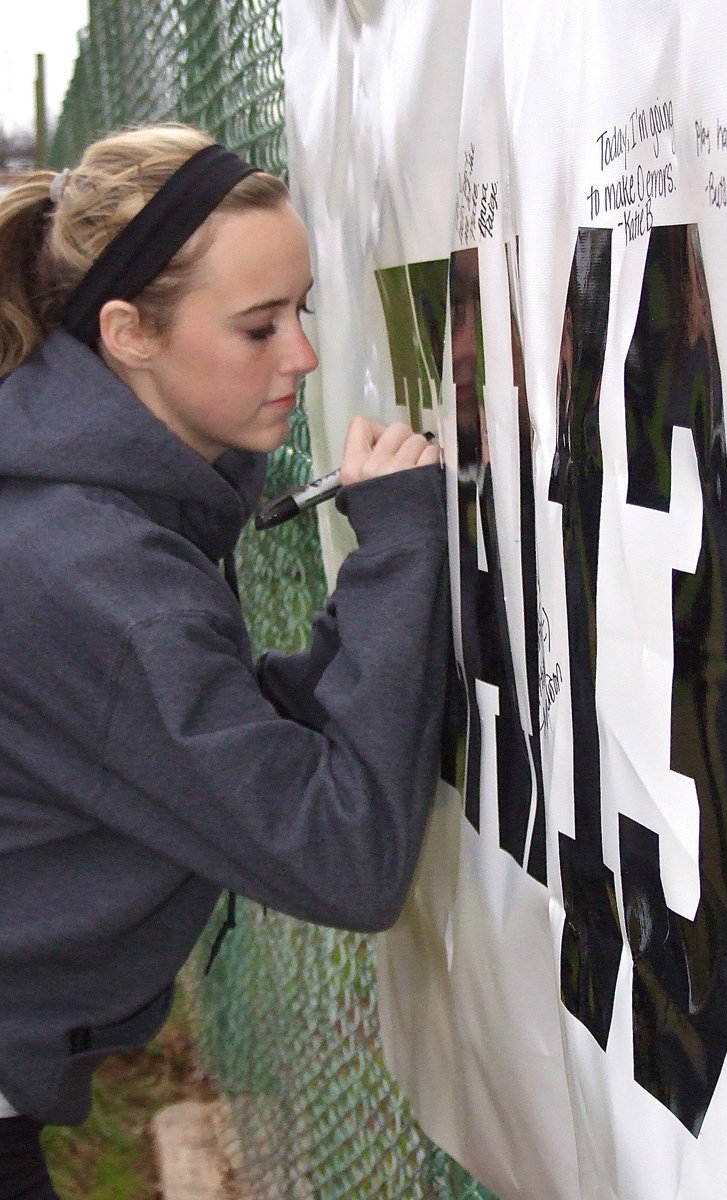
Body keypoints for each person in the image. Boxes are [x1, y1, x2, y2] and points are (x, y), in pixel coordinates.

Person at [0, 124, 447, 1199]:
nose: (301, 356)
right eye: (258, 327)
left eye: (304, 312)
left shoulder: (80, 512)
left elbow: (210, 736)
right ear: (128, 332)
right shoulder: (95, 576)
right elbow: (342, 857)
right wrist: (403, 552)